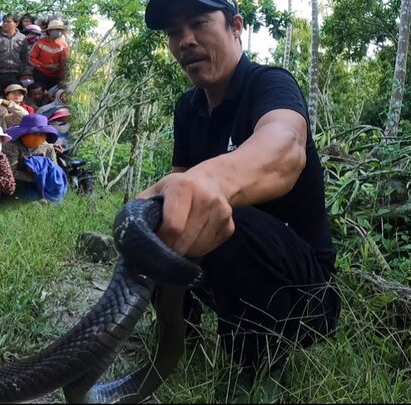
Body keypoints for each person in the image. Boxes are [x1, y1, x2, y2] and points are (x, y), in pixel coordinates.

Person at [137, 0, 341, 401]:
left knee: (230, 218)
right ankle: (180, 335)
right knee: (166, 217)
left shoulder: (269, 84)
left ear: (235, 26)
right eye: (174, 33)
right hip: (224, 277)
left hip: (305, 295)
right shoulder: (188, 107)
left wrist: (211, 180)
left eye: (198, 23)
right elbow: (180, 179)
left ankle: (255, 371)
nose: (185, 41)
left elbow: (285, 147)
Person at [3, 114, 61, 201]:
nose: (38, 136)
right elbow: (10, 171)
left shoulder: (48, 147)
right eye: (34, 133)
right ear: (24, 133)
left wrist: (43, 177)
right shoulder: (12, 145)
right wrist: (35, 178)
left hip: (42, 178)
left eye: (41, 133)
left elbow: (54, 167)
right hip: (18, 180)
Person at [29, 20, 70, 91]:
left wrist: (61, 73)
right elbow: (31, 58)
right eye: (56, 29)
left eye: (60, 30)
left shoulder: (64, 45)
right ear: (50, 31)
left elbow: (67, 61)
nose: (58, 31)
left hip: (57, 77)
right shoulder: (40, 43)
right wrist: (44, 66)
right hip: (41, 75)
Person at [0, 14, 28, 96]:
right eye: (4, 22)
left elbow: (24, 56)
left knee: (13, 97)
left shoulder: (22, 38)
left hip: (15, 74)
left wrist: (21, 70)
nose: (5, 24)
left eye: (8, 22)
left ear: (16, 23)